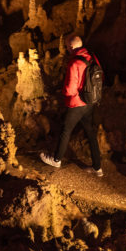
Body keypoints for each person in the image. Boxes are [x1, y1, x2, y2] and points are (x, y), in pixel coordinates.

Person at [40, 35, 103, 176]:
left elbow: (69, 89)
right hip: (90, 101)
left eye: (68, 47)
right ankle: (97, 167)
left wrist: (63, 94)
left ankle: (56, 160)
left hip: (77, 103)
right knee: (90, 133)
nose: (67, 49)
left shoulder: (74, 62)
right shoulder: (92, 57)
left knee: (66, 130)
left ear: (72, 47)